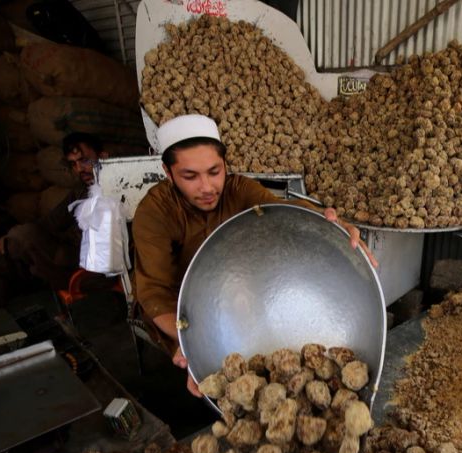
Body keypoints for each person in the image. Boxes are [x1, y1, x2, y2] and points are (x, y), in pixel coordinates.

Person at [132, 114, 376, 396]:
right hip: (180, 311)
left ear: (225, 164)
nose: (207, 187)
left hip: (236, 291)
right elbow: (153, 294)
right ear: (167, 171)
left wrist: (330, 222)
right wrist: (192, 342)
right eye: (190, 176)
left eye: (214, 172)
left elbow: (280, 213)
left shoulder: (238, 190)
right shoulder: (155, 212)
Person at [0, 133, 109, 317]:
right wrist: (18, 242)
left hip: (85, 267)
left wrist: (13, 240)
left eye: (84, 160)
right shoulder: (81, 191)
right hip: (52, 264)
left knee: (24, 235)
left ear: (103, 156)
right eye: (73, 164)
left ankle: (8, 245)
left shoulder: (121, 187)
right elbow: (49, 223)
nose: (79, 169)